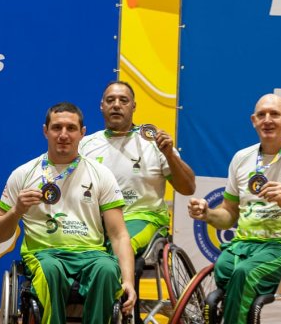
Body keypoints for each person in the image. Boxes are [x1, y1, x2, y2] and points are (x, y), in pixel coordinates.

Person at [187, 94, 281, 324]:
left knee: (245, 274)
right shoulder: (241, 158)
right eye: (261, 115)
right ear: (253, 121)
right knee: (224, 268)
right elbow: (228, 215)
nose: (267, 120)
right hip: (244, 245)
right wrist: (207, 214)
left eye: (275, 114)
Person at [0, 102, 136, 324]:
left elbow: (119, 235)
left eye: (71, 128)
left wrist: (129, 281)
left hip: (91, 255)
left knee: (106, 269)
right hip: (44, 254)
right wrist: (17, 210)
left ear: (82, 133)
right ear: (45, 131)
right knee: (50, 270)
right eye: (57, 128)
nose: (64, 135)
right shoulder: (23, 174)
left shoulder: (101, 174)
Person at [79, 81, 196, 255]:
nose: (116, 105)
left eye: (123, 100)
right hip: (96, 221)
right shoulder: (86, 145)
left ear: (134, 106)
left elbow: (188, 188)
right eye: (110, 100)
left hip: (142, 218)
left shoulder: (155, 143)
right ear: (102, 106)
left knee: (119, 244)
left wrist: (170, 156)